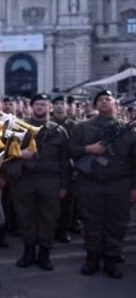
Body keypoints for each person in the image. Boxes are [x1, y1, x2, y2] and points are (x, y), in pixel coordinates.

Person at [69, 90, 136, 279]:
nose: (104, 102)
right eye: (100, 100)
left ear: (116, 104)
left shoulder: (128, 130)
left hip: (119, 184)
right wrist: (89, 149)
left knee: (117, 224)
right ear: (95, 105)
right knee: (92, 222)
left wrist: (134, 187)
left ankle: (111, 261)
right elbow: (71, 150)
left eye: (108, 99)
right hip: (91, 183)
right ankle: (92, 259)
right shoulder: (82, 128)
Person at [11, 94, 71, 271]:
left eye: (43, 104)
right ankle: (28, 251)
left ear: (49, 108)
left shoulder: (59, 131)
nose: (39, 107)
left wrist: (64, 185)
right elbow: (8, 154)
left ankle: (44, 253)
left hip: (50, 180)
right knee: (25, 217)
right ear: (31, 107)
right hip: (25, 179)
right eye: (36, 104)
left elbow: (66, 162)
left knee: (49, 218)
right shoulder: (20, 129)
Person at [51, 95, 79, 243]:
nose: (60, 106)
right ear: (52, 106)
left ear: (67, 106)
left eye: (62, 103)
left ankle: (64, 230)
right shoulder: (48, 124)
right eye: (57, 103)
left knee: (68, 201)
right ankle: (52, 229)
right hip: (54, 166)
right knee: (52, 202)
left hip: (70, 166)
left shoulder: (74, 125)